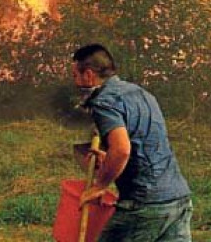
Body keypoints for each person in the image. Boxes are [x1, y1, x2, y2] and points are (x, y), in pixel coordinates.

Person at [74, 44, 192, 242]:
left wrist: (100, 185)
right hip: (178, 199)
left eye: (75, 76)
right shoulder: (141, 93)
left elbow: (121, 150)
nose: (75, 82)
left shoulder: (103, 102)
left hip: (144, 206)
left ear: (88, 75)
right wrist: (109, 157)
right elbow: (145, 144)